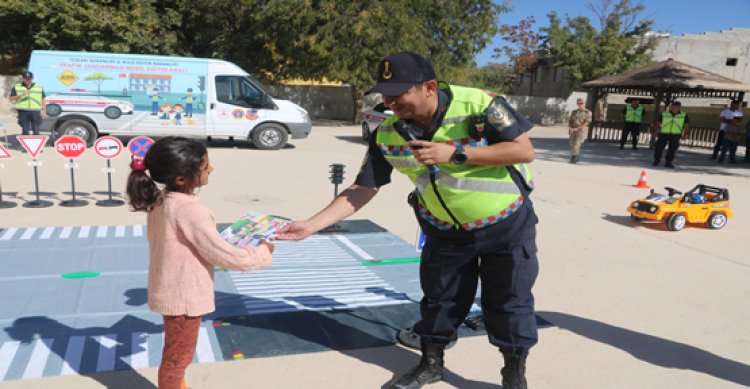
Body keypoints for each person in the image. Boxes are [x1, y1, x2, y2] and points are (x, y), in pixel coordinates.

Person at [277, 51, 539, 389]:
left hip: (506, 226)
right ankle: (431, 365)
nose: (389, 101)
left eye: (398, 92)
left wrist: (457, 153)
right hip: (444, 231)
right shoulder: (387, 133)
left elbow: (523, 150)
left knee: (509, 301)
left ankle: (513, 374)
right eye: (385, 93)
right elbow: (362, 188)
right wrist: (310, 225)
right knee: (439, 300)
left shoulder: (480, 105)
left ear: (429, 87)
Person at [125, 136, 274, 389]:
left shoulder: (162, 199)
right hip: (184, 295)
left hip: (170, 286)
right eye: (205, 167)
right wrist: (262, 251)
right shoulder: (190, 210)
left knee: (176, 352)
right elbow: (223, 256)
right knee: (177, 358)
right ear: (182, 179)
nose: (211, 169)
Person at [653, 101, 690, 168]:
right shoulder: (664, 113)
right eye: (672, 106)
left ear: (679, 107)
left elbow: (687, 126)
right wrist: (655, 132)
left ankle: (668, 162)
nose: (673, 108)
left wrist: (686, 134)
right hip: (664, 133)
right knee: (659, 147)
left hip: (675, 134)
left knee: (672, 148)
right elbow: (658, 123)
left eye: (675, 107)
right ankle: (657, 160)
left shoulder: (684, 115)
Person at [8, 71, 46, 136]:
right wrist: (21, 95)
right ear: (23, 78)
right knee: (25, 130)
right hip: (23, 111)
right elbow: (11, 98)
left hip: (35, 111)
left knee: (36, 129)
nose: (28, 80)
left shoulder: (39, 87)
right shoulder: (17, 86)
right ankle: (26, 145)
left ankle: (36, 145)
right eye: (26, 78)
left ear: (32, 78)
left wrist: (44, 111)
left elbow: (43, 99)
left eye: (29, 78)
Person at [568, 98, 592, 163]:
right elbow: (570, 121)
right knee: (572, 143)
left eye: (582, 103)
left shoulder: (588, 112)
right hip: (572, 129)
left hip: (580, 130)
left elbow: (587, 122)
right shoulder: (574, 112)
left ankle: (574, 157)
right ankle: (575, 155)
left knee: (577, 143)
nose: (580, 104)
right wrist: (570, 128)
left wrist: (577, 128)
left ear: (584, 103)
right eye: (579, 103)